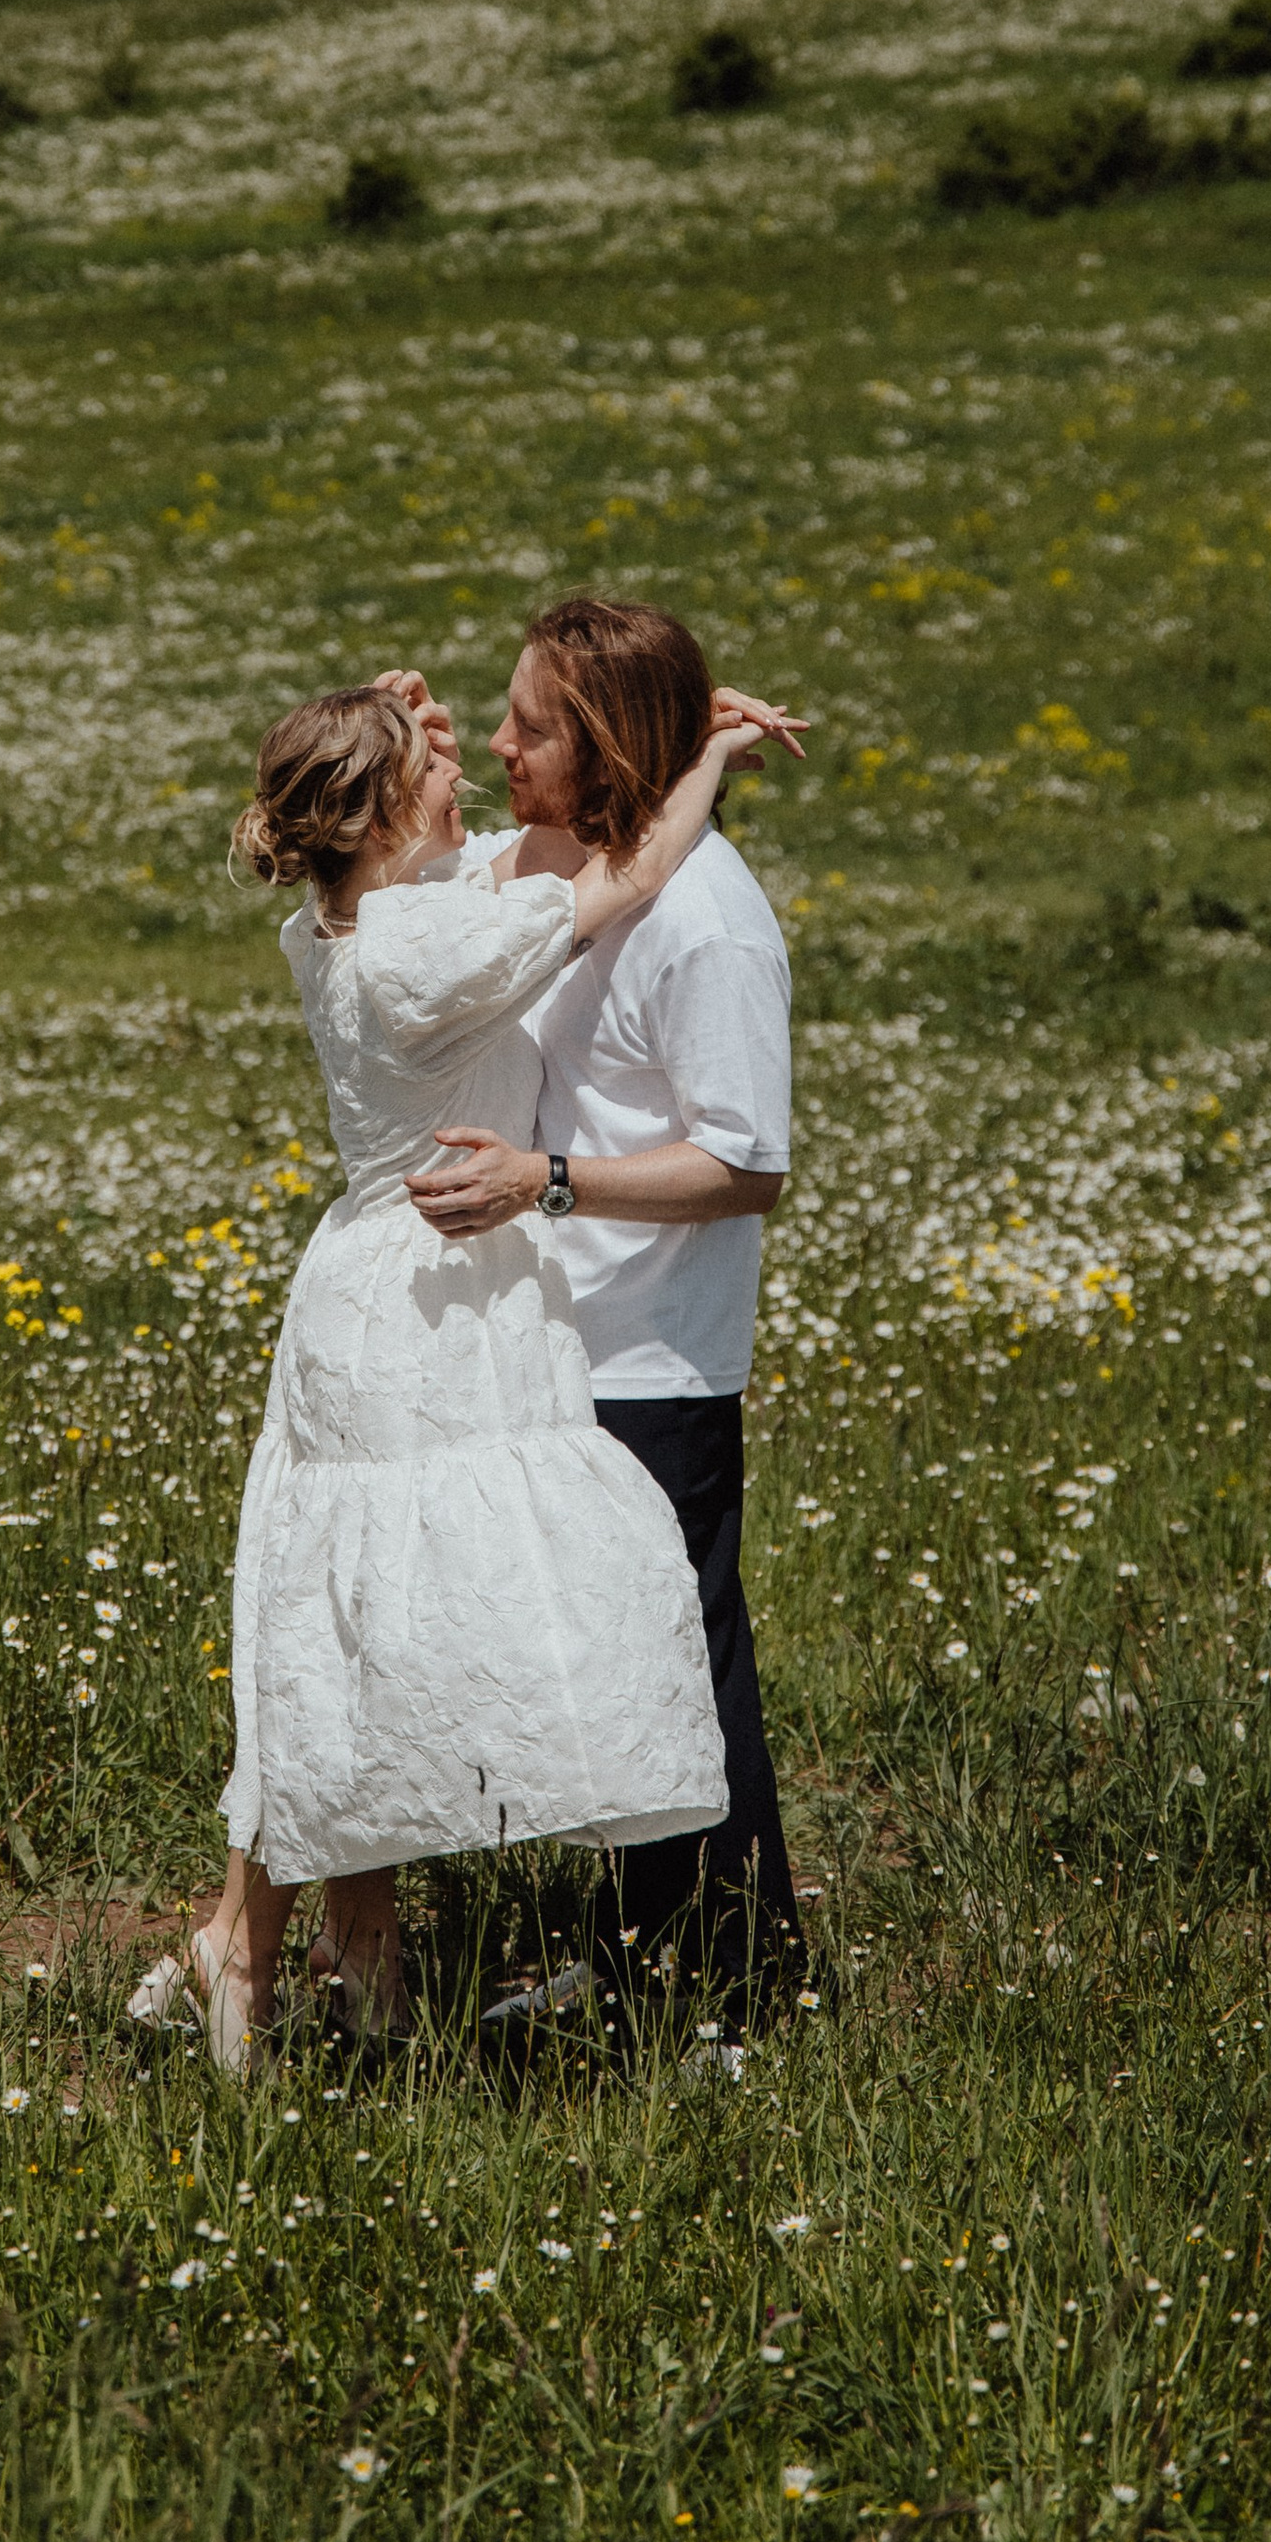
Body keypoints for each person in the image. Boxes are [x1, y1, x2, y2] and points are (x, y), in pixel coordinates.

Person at [157, 680, 758, 2075]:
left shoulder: (345, 924)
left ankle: (349, 1972)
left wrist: (394, 717)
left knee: (357, 1623)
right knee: (395, 1622)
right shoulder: (419, 954)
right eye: (431, 774)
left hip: (379, 1280)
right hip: (432, 1298)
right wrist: (711, 751)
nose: (462, 785)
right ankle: (264, 1955)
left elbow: (449, 857)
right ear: (373, 817)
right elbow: (636, 872)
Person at [393, 598, 807, 2021]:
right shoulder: (562, 862)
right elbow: (424, 888)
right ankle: (640, 1960)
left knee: (685, 1665)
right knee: (596, 1677)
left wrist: (547, 1179)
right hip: (550, 1340)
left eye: (532, 724)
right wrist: (413, 748)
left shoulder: (710, 926)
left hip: (654, 1355)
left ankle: (743, 1989)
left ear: (607, 745)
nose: (504, 742)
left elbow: (747, 1166)